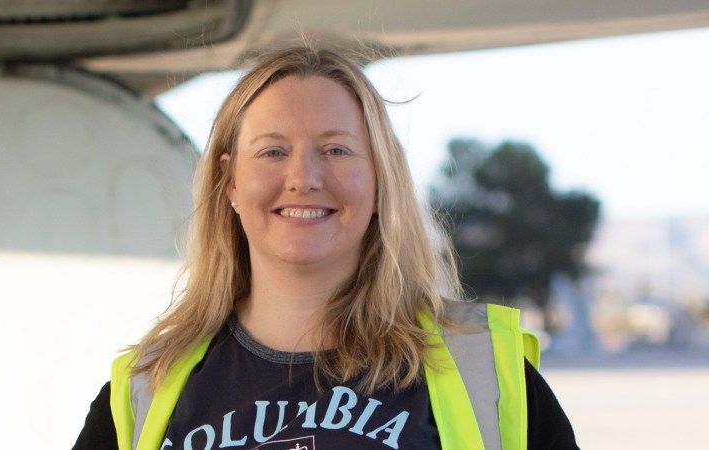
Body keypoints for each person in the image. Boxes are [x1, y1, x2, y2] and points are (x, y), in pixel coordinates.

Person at [73, 46, 578, 450]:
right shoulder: (144, 391)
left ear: (380, 179)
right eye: (272, 151)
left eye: (336, 150)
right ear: (228, 182)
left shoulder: (485, 374)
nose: (303, 178)